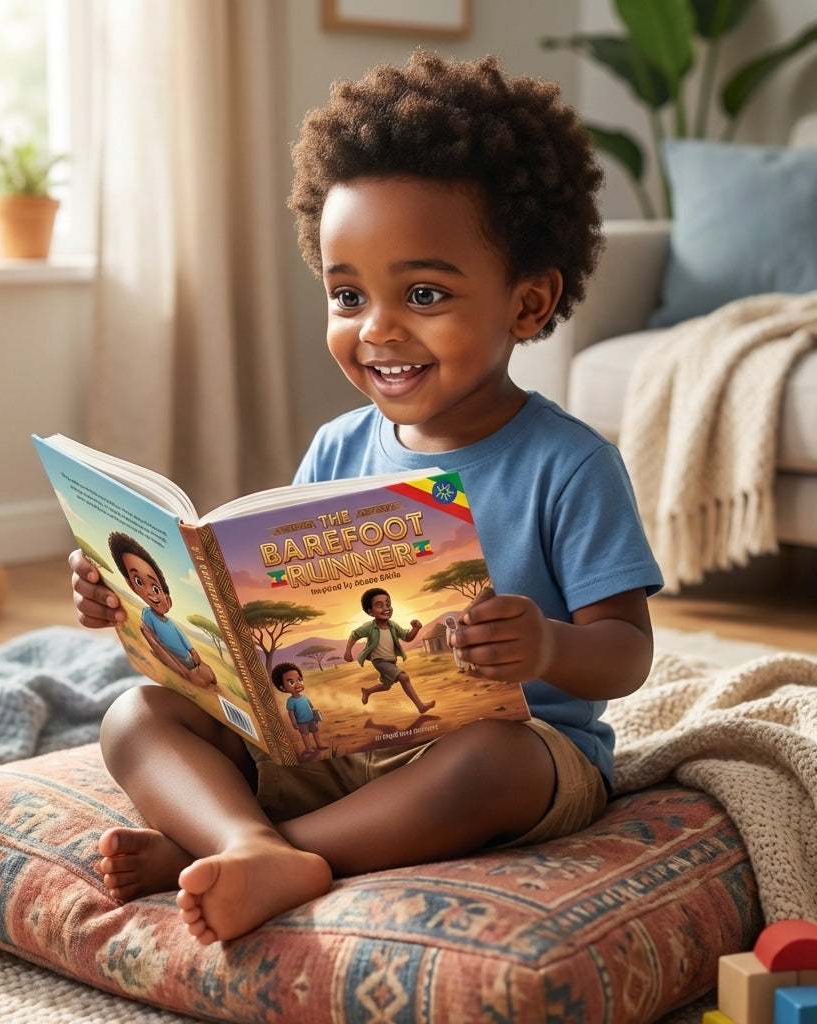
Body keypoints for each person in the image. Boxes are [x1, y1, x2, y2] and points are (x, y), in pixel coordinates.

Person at [72, 50, 662, 947]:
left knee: (492, 762)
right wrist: (151, 610)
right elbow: (284, 627)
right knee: (134, 717)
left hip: (509, 752)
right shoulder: (337, 447)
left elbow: (626, 657)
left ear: (530, 304)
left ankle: (277, 852)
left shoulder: (571, 465)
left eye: (423, 293)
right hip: (337, 743)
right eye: (348, 294)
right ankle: (244, 840)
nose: (377, 328)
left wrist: (545, 643)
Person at [107, 531, 217, 689]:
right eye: (138, 581)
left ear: (168, 599)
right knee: (202, 682)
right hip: (179, 661)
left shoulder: (171, 623)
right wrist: (180, 669)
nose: (150, 592)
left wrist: (193, 651)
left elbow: (182, 639)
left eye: (155, 588)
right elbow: (157, 645)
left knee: (210, 676)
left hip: (189, 658)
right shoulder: (147, 615)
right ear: (130, 584)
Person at [345, 587, 434, 713]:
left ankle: (367, 691)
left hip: (391, 661)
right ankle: (421, 706)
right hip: (380, 661)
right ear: (371, 612)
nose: (386, 608)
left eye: (388, 604)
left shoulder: (393, 625)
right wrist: (348, 652)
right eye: (380, 605)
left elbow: (407, 637)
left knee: (387, 685)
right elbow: (354, 635)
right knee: (404, 677)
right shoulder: (370, 627)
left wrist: (416, 629)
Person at [271, 661, 328, 755]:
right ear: (282, 688)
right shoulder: (291, 701)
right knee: (305, 734)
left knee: (316, 731)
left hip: (311, 719)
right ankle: (308, 748)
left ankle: (319, 744)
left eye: (299, 679)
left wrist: (315, 715)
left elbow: (311, 707)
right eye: (291, 682)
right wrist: (294, 722)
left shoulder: (305, 697)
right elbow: (291, 712)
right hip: (301, 722)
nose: (298, 684)